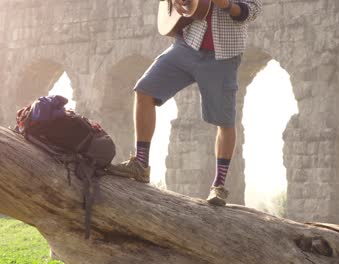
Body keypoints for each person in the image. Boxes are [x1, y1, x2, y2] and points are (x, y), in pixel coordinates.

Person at [109, 0, 262, 206]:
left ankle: (218, 186)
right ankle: (141, 164)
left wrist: (226, 5)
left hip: (223, 55)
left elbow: (251, 11)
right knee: (144, 91)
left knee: (224, 121)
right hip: (187, 44)